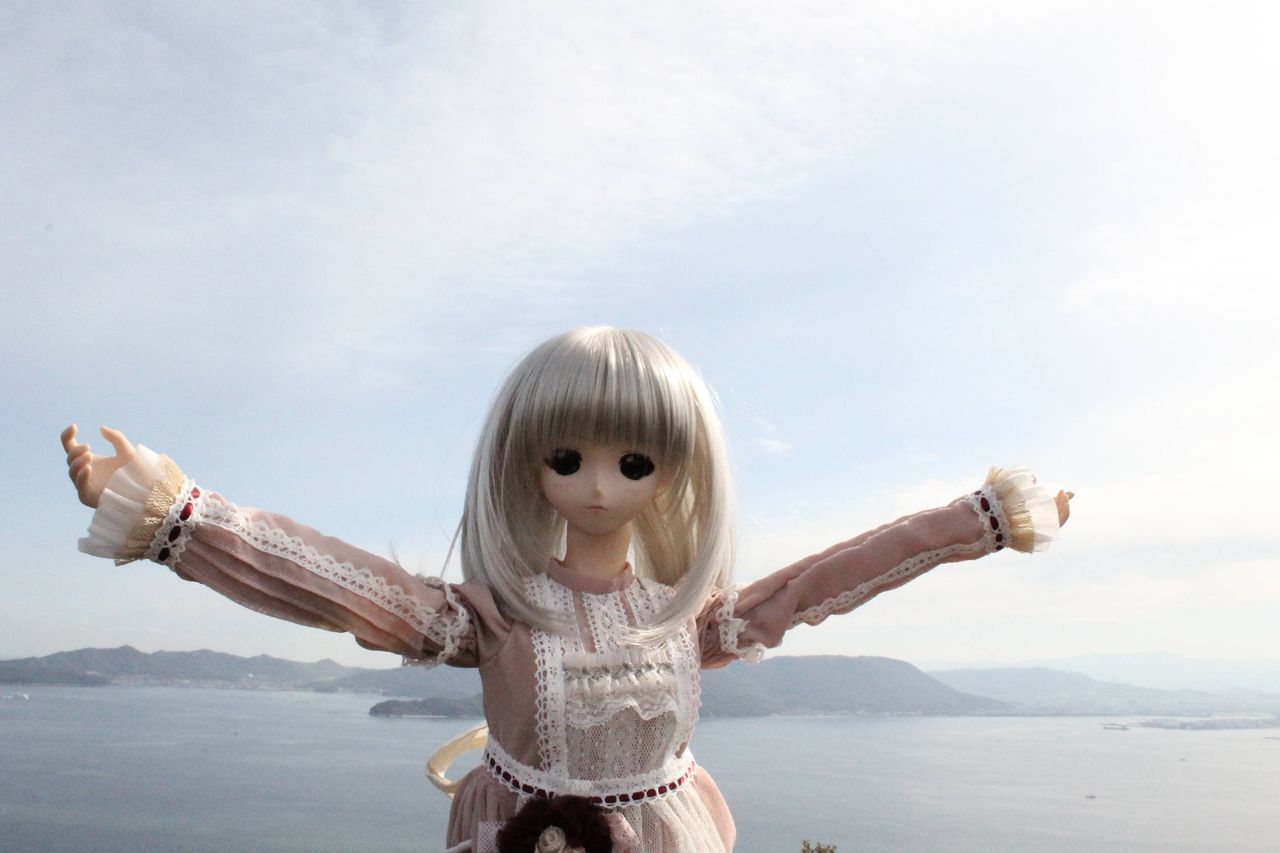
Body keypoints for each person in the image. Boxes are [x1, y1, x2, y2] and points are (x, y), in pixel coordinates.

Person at [61, 326, 1070, 853]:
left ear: (675, 471)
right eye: (565, 456)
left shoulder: (686, 616)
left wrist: (980, 521)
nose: (598, 485)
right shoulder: (496, 615)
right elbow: (341, 587)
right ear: (525, 462)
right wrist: (175, 514)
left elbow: (823, 582)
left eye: (634, 462)